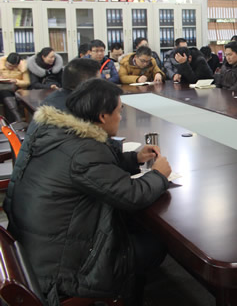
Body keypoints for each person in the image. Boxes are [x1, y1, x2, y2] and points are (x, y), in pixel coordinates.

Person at [3, 79, 172, 305]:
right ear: (102, 116)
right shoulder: (84, 150)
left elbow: (95, 170)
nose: (120, 117)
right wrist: (159, 175)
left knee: (132, 225)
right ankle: (126, 293)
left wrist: (135, 158)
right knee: (155, 245)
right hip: (61, 269)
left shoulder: (61, 133)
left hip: (37, 247)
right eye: (119, 112)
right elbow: (132, 196)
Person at [0, 52, 30, 127]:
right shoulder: (0, 64)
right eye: (9, 65)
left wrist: (16, 81)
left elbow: (27, 82)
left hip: (14, 90)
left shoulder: (23, 68)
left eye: (14, 66)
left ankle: (14, 122)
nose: (11, 68)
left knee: (5, 93)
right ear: (6, 61)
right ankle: (17, 119)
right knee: (5, 92)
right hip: (2, 89)